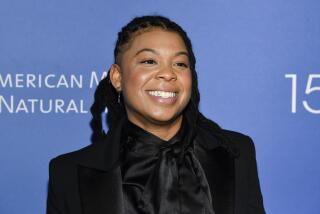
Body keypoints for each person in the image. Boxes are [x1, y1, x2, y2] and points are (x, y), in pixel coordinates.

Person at [46, 15, 265, 214]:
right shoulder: (68, 172)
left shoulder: (237, 153)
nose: (168, 74)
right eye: (149, 61)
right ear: (117, 77)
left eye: (180, 64)